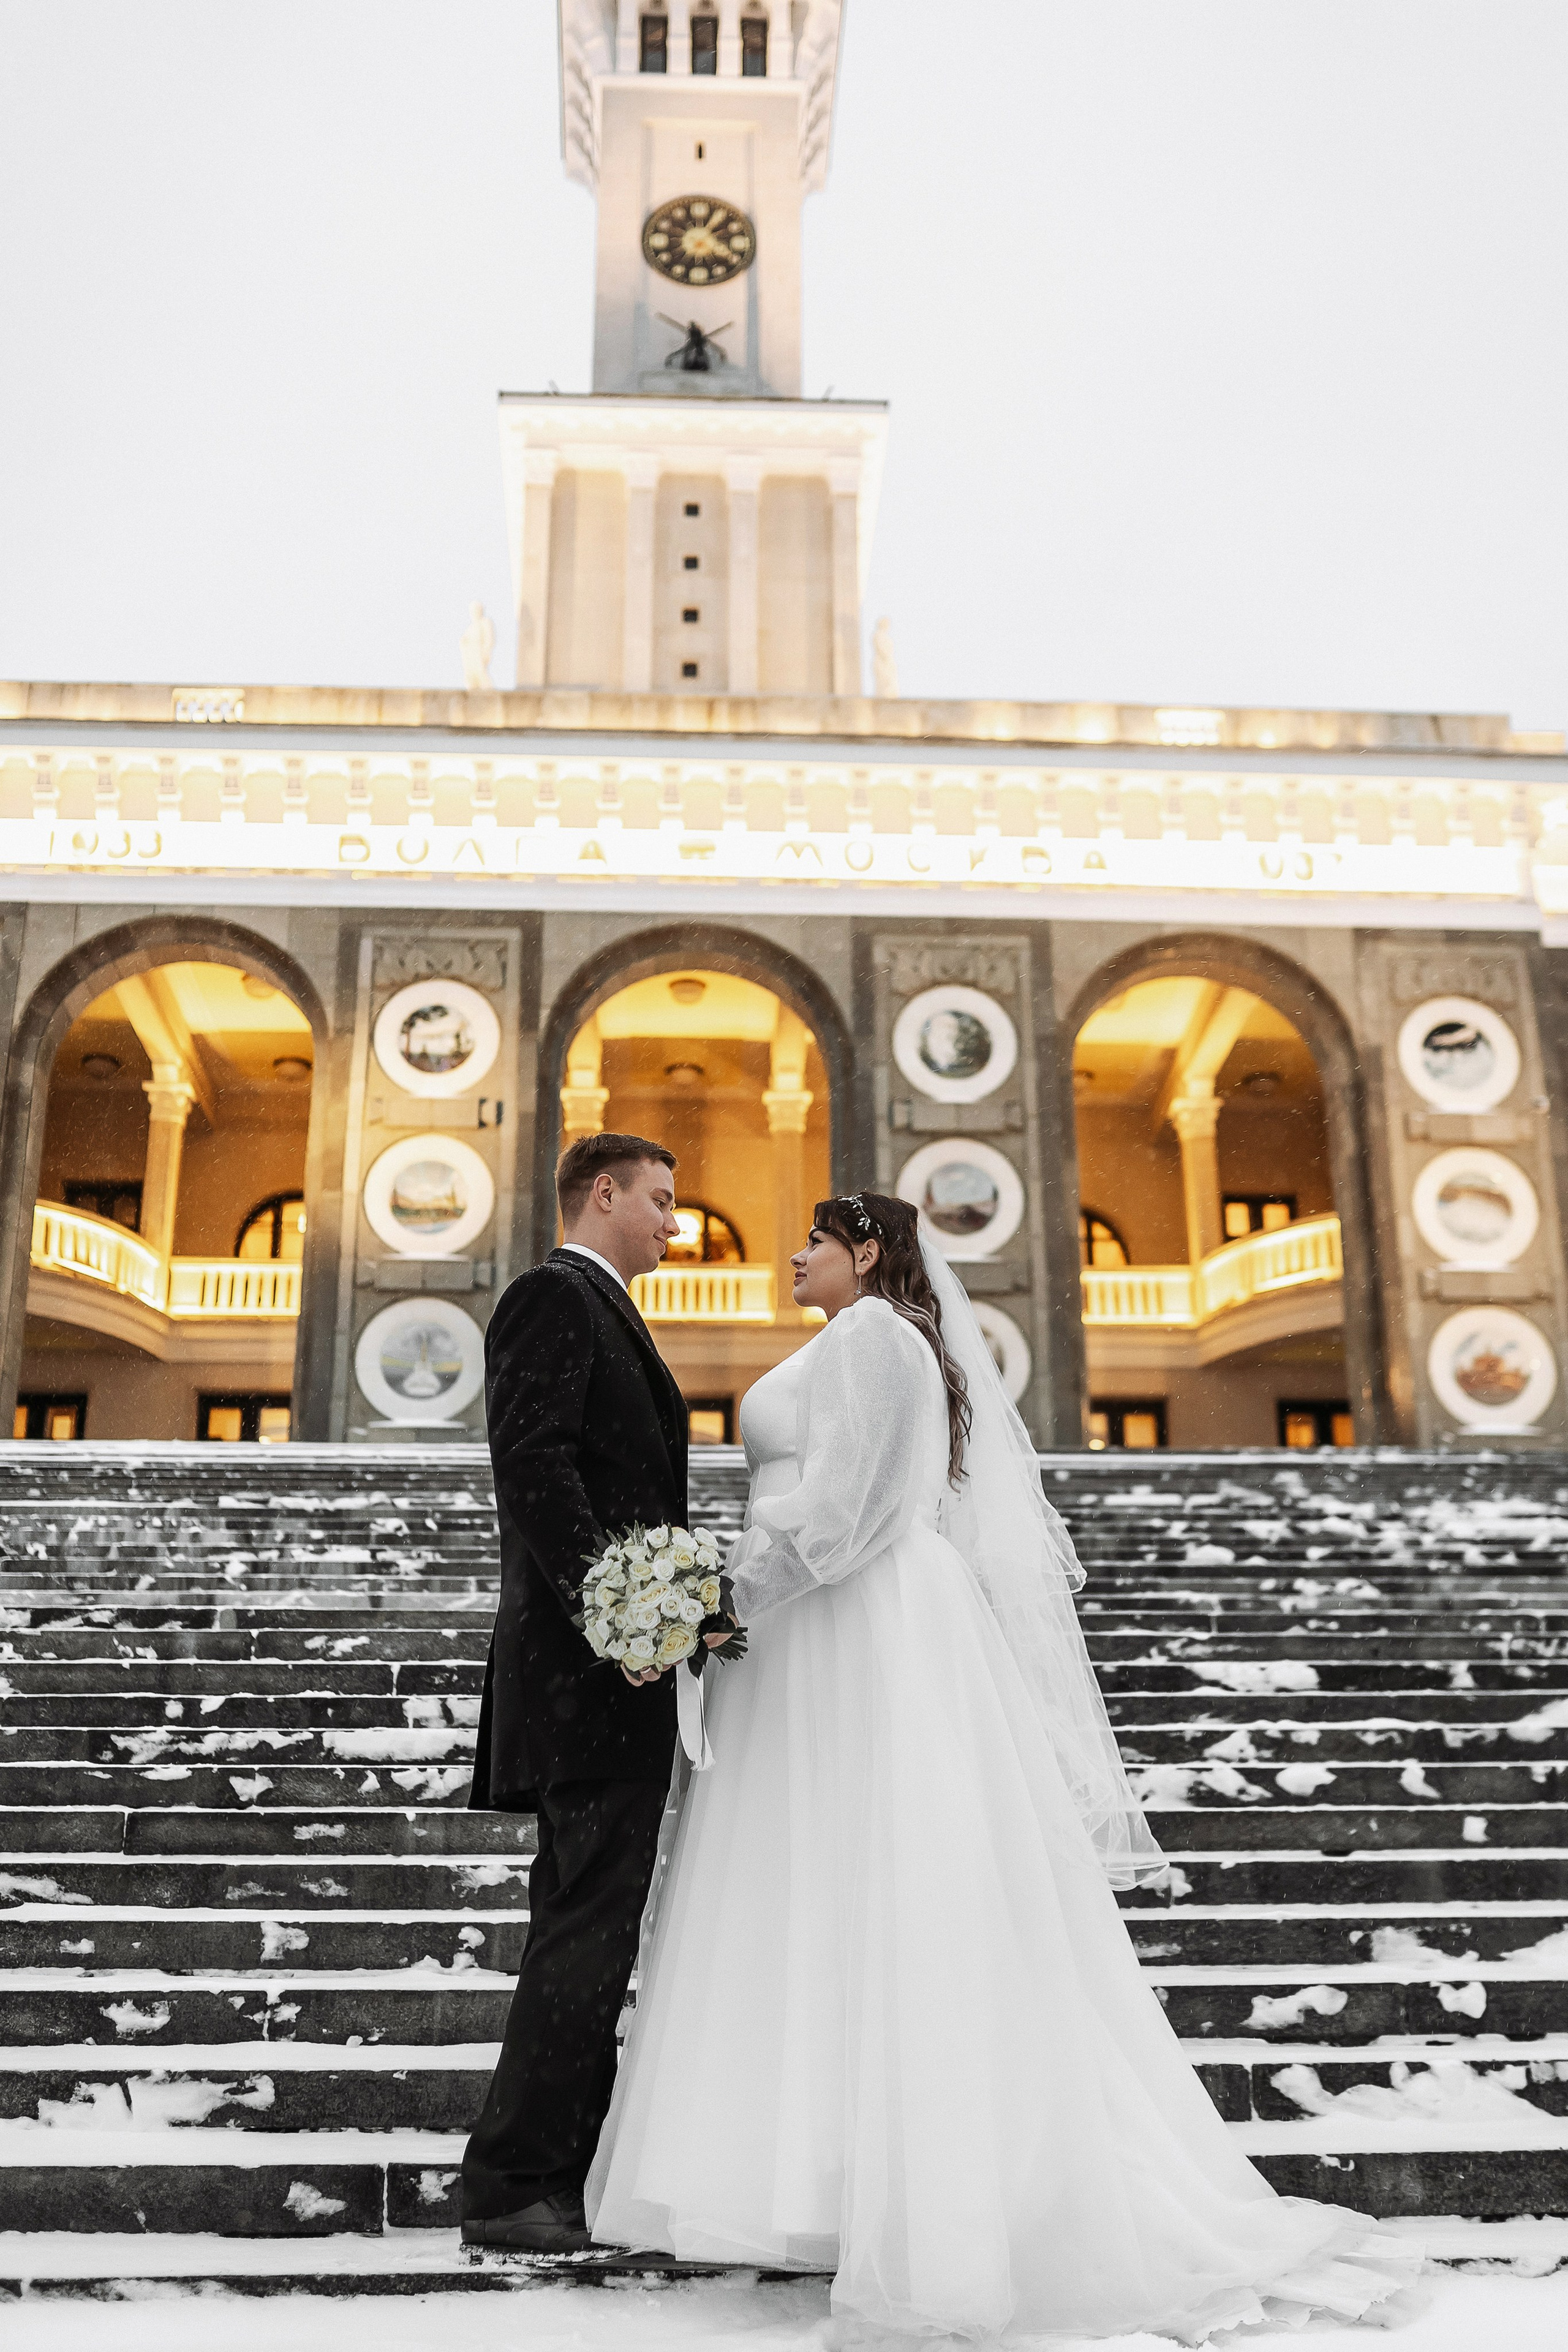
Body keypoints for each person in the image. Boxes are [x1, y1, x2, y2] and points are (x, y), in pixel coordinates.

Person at [587, 1191, 1425, 2340]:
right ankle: (839, 2184)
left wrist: (718, 1604)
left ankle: (929, 2203)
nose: (793, 1256)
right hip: (814, 1636)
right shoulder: (853, 1339)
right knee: (826, 1893)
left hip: (860, 1626)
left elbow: (852, 1513)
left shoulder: (880, 1337)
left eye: (817, 1242)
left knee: (887, 1888)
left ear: (867, 1251)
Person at [461, 1132, 692, 2253]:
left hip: (610, 1680)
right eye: (658, 1200)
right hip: (587, 1681)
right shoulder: (552, 1299)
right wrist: (621, 1615)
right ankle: (515, 2187)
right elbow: (534, 1464)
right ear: (603, 1194)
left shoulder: (603, 1308)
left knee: (587, 1928)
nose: (672, 1223)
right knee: (585, 1935)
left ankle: (549, 2175)